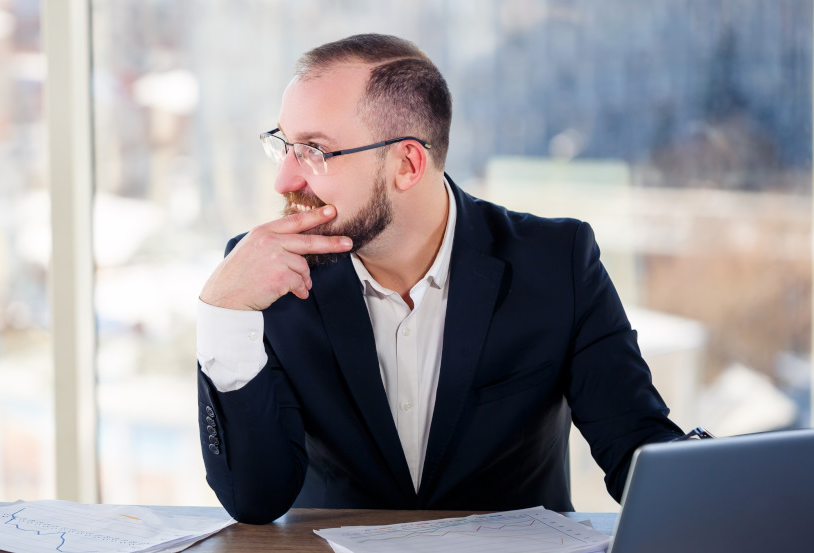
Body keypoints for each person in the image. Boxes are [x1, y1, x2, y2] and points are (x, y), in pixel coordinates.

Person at [196, 34, 683, 525]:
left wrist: (724, 481)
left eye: (314, 151)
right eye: (284, 145)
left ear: (407, 164)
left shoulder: (557, 263)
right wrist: (223, 313)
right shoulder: (266, 274)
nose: (284, 181)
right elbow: (255, 500)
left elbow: (637, 450)